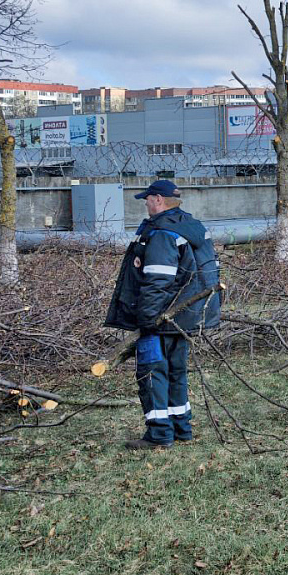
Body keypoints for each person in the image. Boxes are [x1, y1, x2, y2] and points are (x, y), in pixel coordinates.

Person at [105, 179, 222, 449]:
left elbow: (157, 280)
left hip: (160, 318)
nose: (145, 203)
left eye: (147, 199)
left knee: (152, 374)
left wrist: (146, 321)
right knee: (176, 373)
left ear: (158, 199)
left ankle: (159, 435)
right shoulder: (190, 225)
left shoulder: (161, 233)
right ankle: (182, 428)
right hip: (183, 317)